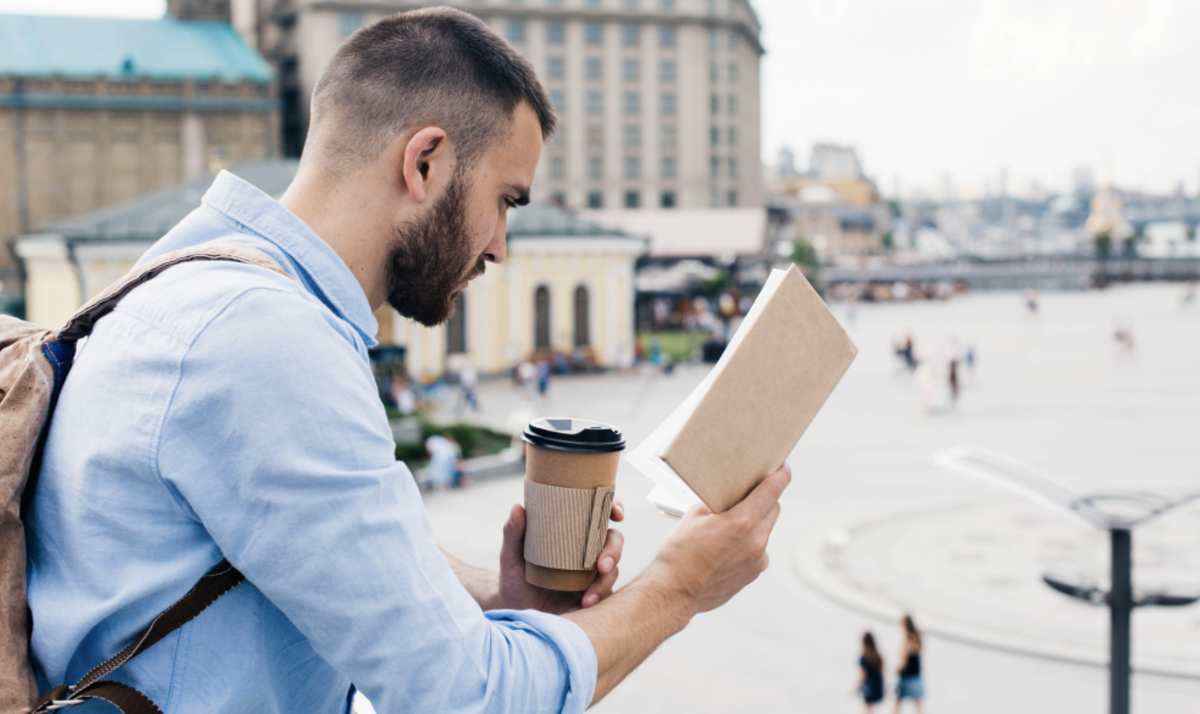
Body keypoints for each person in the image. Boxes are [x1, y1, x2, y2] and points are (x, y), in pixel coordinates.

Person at [24, 8, 791, 713]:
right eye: (505, 200)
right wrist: (681, 585)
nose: (499, 245)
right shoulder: (264, 343)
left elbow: (307, 546)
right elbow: (470, 699)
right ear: (424, 162)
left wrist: (501, 600)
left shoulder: (193, 271)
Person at [892, 614, 926, 713]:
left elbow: (903, 664)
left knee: (896, 704)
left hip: (905, 678)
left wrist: (895, 669)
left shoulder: (905, 642)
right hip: (916, 677)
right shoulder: (917, 640)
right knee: (918, 704)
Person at [857, 632, 885, 712]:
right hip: (877, 686)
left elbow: (862, 675)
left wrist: (857, 688)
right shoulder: (878, 655)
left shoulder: (864, 657)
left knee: (867, 709)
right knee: (871, 708)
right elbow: (882, 673)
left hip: (869, 688)